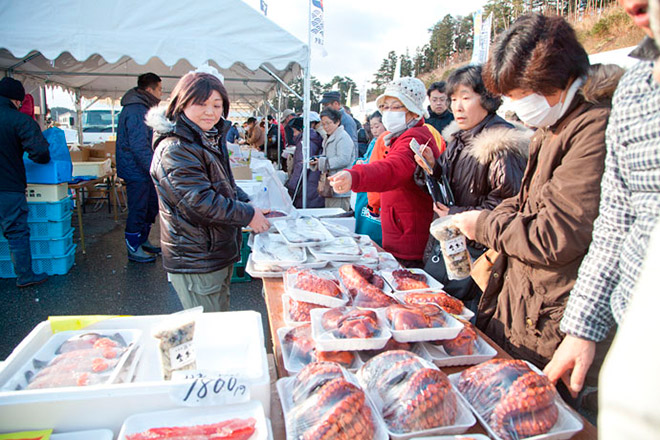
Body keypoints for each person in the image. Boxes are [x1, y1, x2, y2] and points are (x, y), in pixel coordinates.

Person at [451, 13, 623, 407]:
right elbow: (529, 200)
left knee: (539, 415)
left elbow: (554, 235)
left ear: (550, 83)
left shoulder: (594, 128)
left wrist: (486, 225)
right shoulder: (556, 123)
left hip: (557, 318)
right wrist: (484, 219)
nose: (513, 107)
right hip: (527, 302)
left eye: (516, 95)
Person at [544, 0, 660, 404]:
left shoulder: (590, 124)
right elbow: (616, 224)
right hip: (636, 338)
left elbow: (561, 228)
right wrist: (582, 328)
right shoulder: (637, 87)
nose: (632, 5)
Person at [148, 72, 270, 312]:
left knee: (219, 320)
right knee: (209, 330)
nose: (210, 112)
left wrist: (248, 204)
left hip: (213, 252)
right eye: (200, 104)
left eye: (217, 105)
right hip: (197, 258)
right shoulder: (176, 148)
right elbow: (199, 203)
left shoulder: (204, 138)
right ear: (181, 103)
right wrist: (247, 215)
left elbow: (223, 183)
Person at [416, 65, 529, 310]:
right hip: (450, 247)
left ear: (487, 98)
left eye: (466, 98)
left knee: (464, 320)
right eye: (453, 99)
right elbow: (446, 187)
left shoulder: (501, 144)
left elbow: (507, 207)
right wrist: (432, 168)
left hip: (479, 258)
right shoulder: (459, 138)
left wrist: (456, 214)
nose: (456, 106)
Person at [329, 77, 441, 267]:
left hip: (409, 239)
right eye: (385, 107)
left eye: (396, 107)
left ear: (413, 111)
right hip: (400, 231)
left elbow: (393, 169)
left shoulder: (416, 138)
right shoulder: (397, 137)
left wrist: (355, 176)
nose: (388, 112)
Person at [0, 77, 50, 287]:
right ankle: (25, 276)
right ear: (17, 100)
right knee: (16, 230)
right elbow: (40, 153)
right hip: (8, 185)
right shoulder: (19, 120)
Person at [116, 72, 163, 263]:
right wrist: (154, 169)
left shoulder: (142, 107)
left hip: (142, 169)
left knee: (149, 207)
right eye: (160, 89)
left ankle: (142, 240)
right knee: (138, 208)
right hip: (137, 171)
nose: (161, 93)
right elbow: (139, 145)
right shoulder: (136, 110)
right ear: (150, 89)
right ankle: (133, 246)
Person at [312, 108, 356, 211]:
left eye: (328, 123)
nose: (326, 127)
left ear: (337, 122)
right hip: (331, 185)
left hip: (340, 185)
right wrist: (318, 161)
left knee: (338, 217)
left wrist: (323, 162)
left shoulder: (343, 137)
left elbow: (343, 159)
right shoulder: (330, 136)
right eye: (323, 124)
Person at [353, 111, 386, 245]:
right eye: (372, 127)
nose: (374, 130)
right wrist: (360, 162)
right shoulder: (373, 142)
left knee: (374, 229)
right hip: (365, 189)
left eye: (377, 126)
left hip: (376, 190)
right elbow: (367, 158)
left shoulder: (387, 142)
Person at [285, 117, 324, 208]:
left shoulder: (305, 143)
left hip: (307, 185)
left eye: (294, 132)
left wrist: (291, 187)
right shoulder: (311, 140)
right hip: (310, 181)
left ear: (301, 130)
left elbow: (300, 166)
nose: (293, 135)